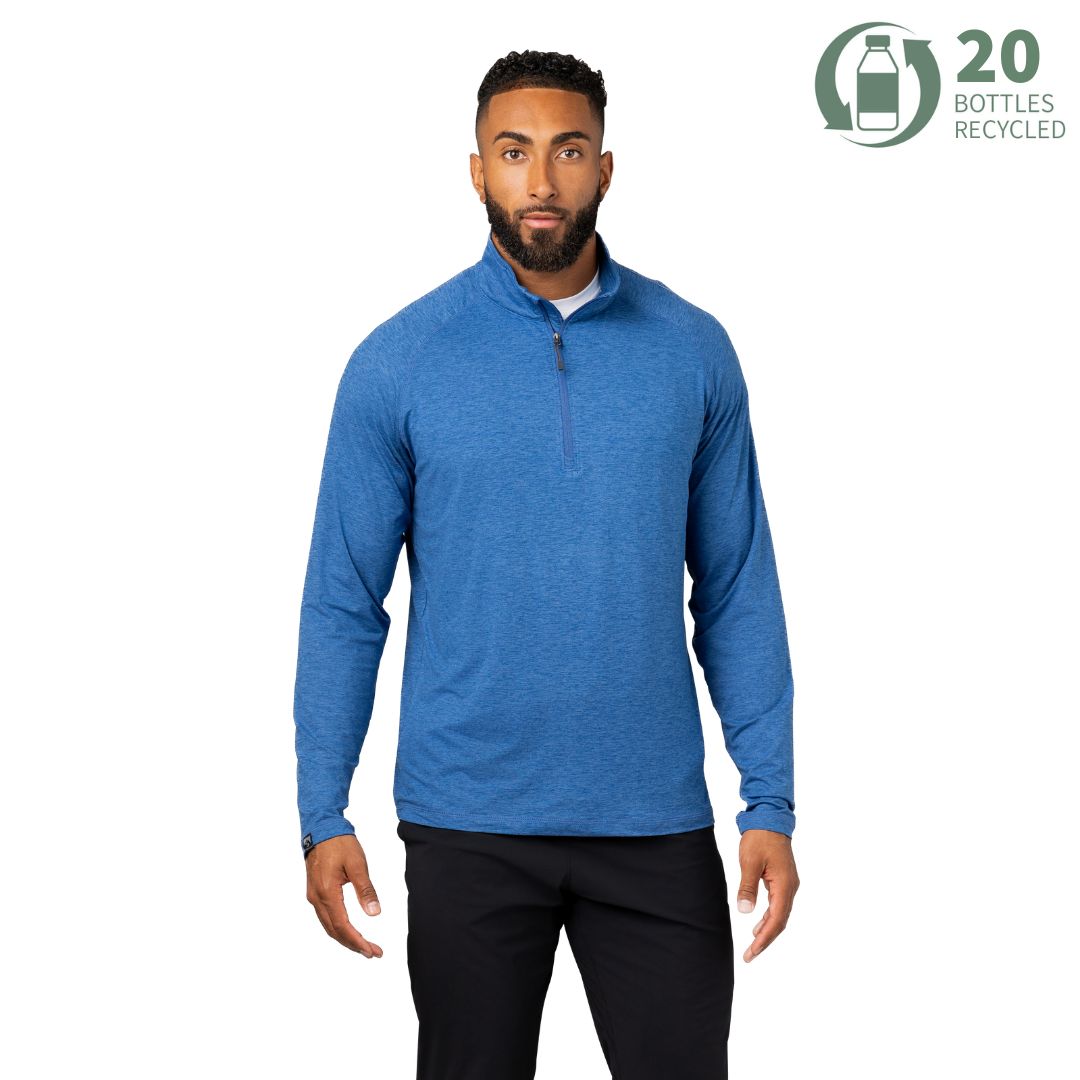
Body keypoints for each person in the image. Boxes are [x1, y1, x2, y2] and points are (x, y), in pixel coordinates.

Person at [294, 48, 800, 1079]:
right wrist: (321, 812)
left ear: (604, 169)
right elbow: (345, 601)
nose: (541, 180)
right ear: (475, 170)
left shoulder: (692, 350)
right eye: (513, 151)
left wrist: (770, 800)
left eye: (568, 151)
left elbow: (736, 587)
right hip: (467, 820)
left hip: (652, 820)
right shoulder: (399, 361)